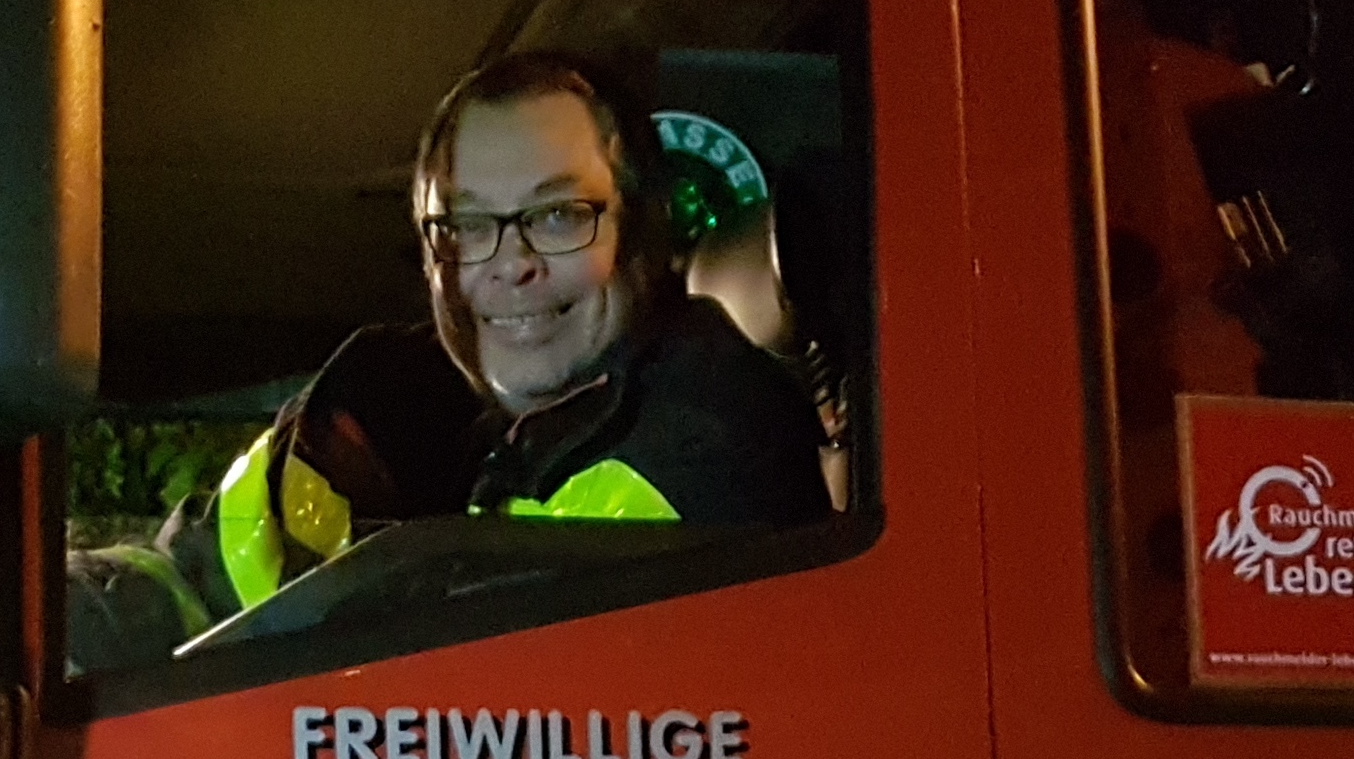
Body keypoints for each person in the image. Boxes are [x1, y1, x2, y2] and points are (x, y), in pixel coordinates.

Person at [68, 51, 835, 669]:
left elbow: (457, 687)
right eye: (468, 227)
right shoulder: (401, 395)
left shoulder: (707, 441)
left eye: (558, 215)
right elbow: (205, 570)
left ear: (641, 234)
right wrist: (44, 626)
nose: (510, 266)